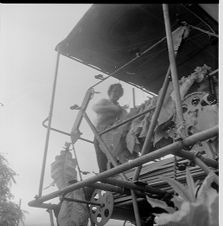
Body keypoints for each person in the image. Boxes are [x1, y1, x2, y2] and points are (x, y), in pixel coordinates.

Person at [92, 83, 127, 172]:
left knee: (114, 162)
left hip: (113, 137)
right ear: (110, 92)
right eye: (115, 91)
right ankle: (105, 180)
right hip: (101, 134)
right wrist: (113, 108)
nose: (116, 94)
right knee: (103, 162)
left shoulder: (120, 109)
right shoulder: (105, 102)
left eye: (119, 93)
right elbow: (95, 108)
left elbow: (124, 121)